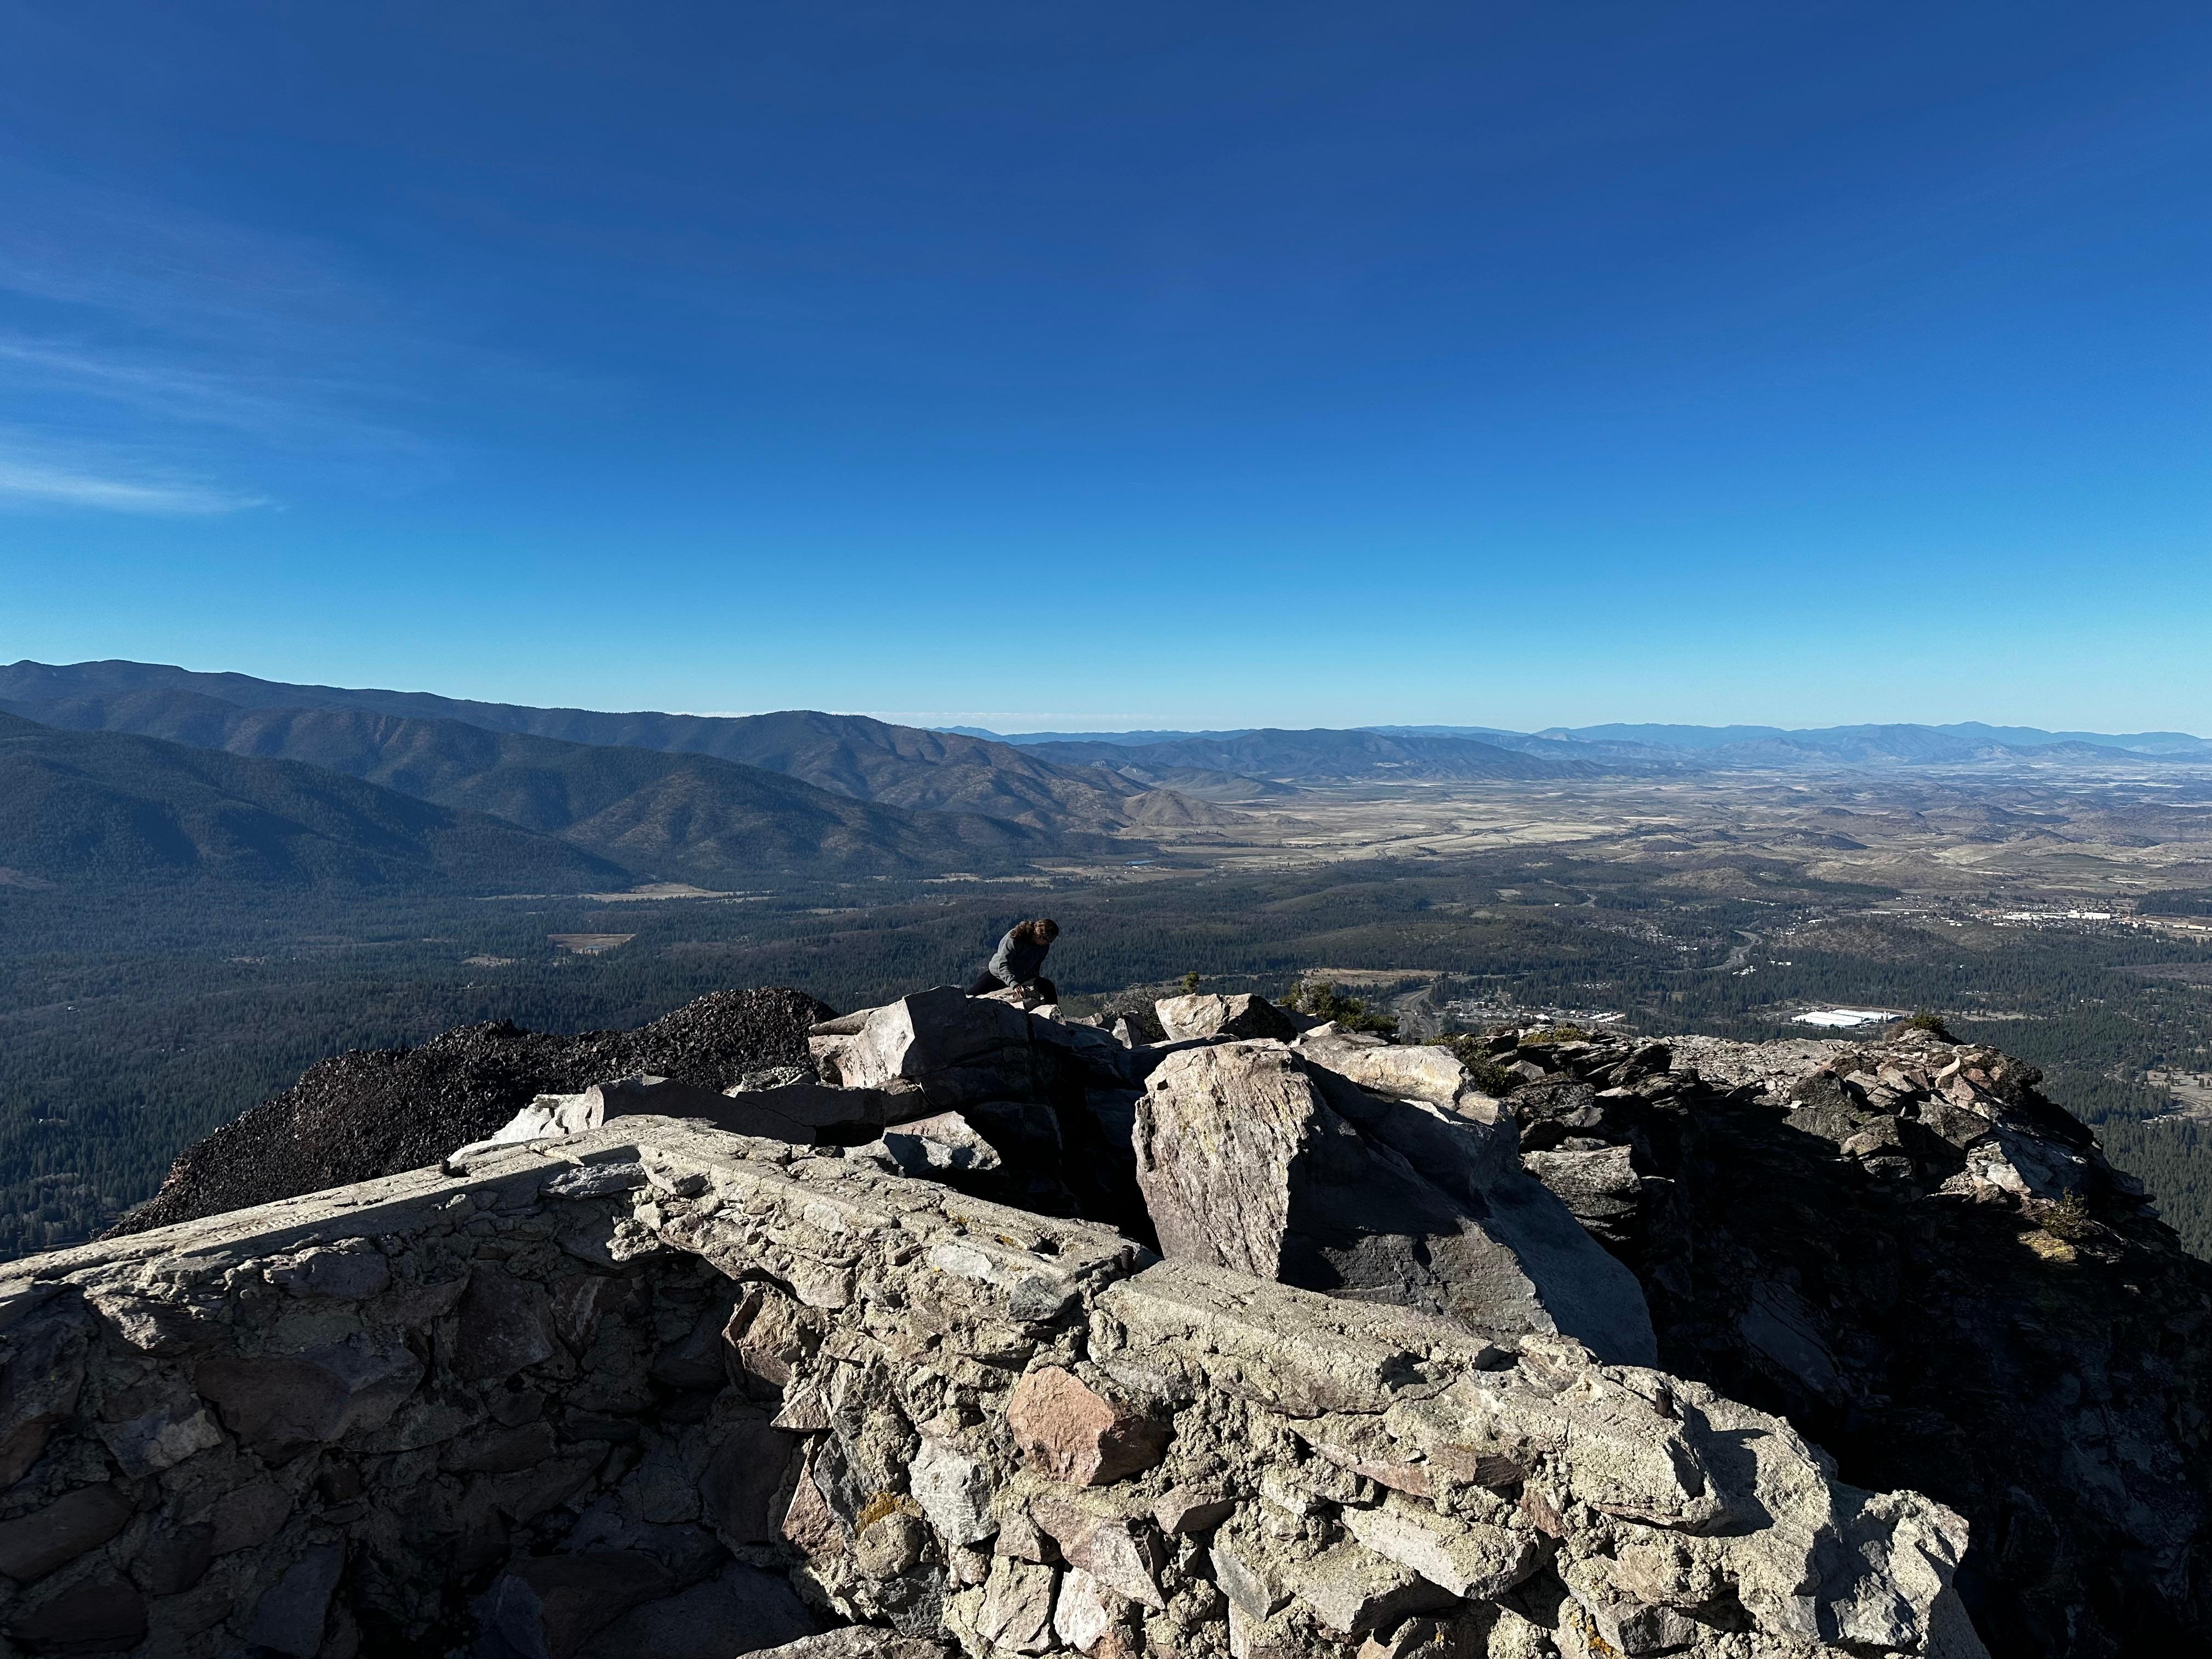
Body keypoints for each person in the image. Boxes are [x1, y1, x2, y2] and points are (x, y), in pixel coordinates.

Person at [968, 918, 1060, 1002]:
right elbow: (1003, 964)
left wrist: (1033, 978)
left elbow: (1036, 965)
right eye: (1048, 941)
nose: (1049, 944)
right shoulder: (1015, 938)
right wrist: (1014, 984)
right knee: (969, 998)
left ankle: (1053, 1019)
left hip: (1022, 977)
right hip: (998, 976)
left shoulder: (1043, 946)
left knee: (1048, 987)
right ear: (1040, 936)